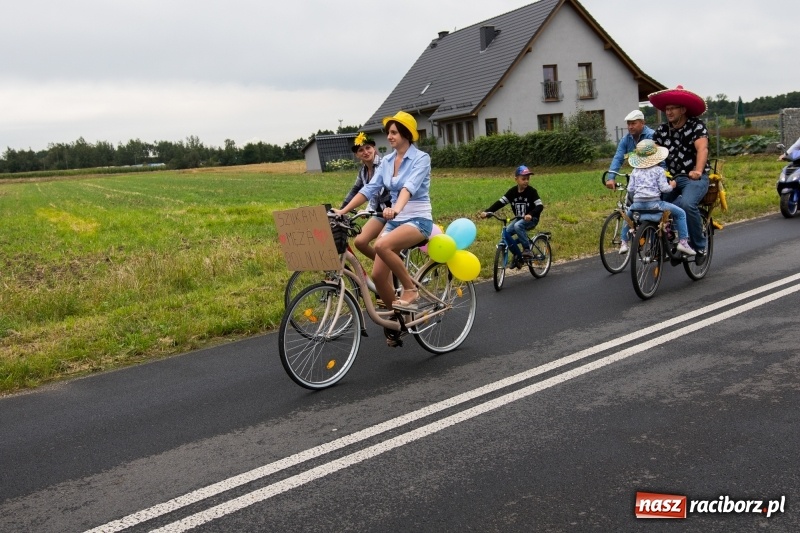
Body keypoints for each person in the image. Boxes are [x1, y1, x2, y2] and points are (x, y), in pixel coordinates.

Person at [333, 111, 433, 320]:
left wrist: (396, 209)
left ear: (406, 134)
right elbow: (369, 189)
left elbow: (408, 187)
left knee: (381, 245)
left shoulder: (421, 158)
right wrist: (342, 211)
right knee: (378, 277)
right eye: (388, 132)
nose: (389, 136)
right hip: (395, 221)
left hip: (417, 220)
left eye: (394, 132)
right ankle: (399, 320)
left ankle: (410, 289)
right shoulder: (387, 161)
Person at [648, 85, 710, 263]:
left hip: (693, 178)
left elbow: (702, 149)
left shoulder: (696, 126)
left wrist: (698, 171)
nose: (668, 112)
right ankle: (662, 245)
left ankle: (699, 247)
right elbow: (653, 152)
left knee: (687, 204)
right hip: (672, 179)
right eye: (666, 109)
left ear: (683, 109)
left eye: (672, 108)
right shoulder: (662, 130)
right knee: (652, 203)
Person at [619, 139, 695, 256]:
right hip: (655, 205)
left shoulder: (635, 171)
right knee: (681, 213)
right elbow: (664, 189)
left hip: (637, 205)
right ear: (656, 157)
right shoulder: (659, 170)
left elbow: (630, 189)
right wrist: (672, 185)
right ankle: (683, 242)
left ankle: (624, 242)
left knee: (627, 219)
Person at [479, 165, 544, 265]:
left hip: (532, 219)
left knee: (518, 226)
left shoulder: (532, 192)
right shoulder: (512, 192)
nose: (526, 181)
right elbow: (500, 203)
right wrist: (488, 212)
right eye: (523, 179)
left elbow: (540, 206)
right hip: (519, 219)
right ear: (516, 179)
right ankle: (517, 256)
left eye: (528, 179)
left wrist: (530, 214)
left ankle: (527, 249)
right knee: (505, 234)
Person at [340, 132, 391, 260]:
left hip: (393, 211)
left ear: (374, 148)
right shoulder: (363, 171)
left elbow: (375, 191)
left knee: (381, 245)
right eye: (361, 150)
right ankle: (387, 264)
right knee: (360, 242)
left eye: (368, 148)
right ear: (357, 155)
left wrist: (368, 210)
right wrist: (341, 210)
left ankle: (386, 264)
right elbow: (354, 190)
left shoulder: (384, 164)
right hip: (380, 213)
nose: (365, 152)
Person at [605, 110, 655, 189]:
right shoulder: (625, 139)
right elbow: (618, 158)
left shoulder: (652, 136)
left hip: (654, 175)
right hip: (638, 176)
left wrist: (664, 176)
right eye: (628, 124)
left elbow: (658, 158)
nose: (630, 127)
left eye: (633, 123)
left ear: (642, 123)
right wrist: (611, 178)